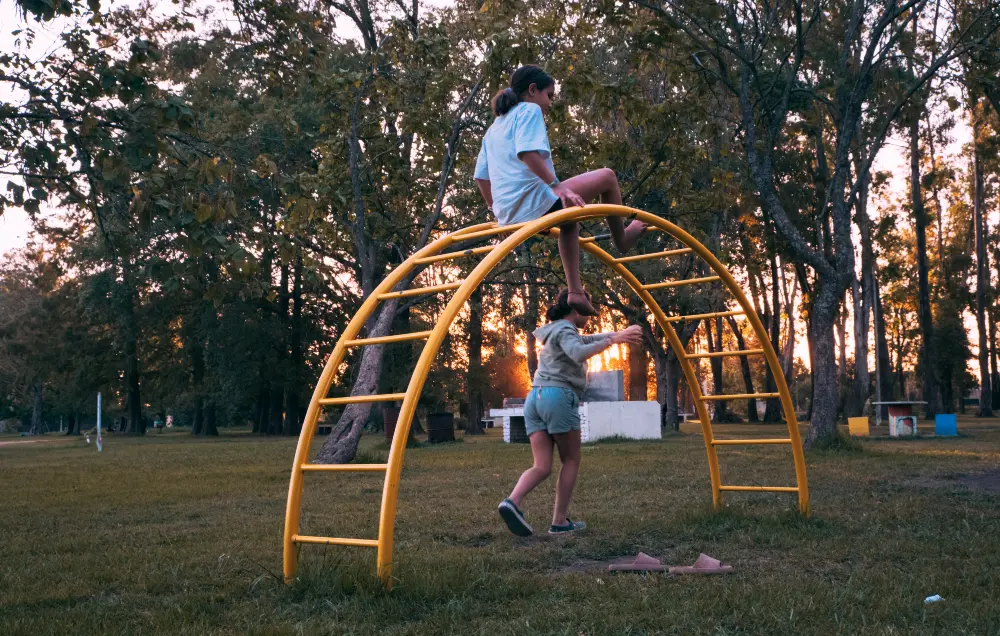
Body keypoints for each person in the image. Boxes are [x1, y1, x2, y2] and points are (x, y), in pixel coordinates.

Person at [474, 65, 648, 317]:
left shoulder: (493, 129)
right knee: (608, 177)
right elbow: (527, 153)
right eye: (549, 95)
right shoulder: (529, 110)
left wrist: (497, 211)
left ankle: (575, 291)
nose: (550, 103)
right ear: (532, 90)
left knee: (569, 220)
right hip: (536, 205)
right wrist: (558, 186)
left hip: (510, 215)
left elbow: (481, 177)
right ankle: (622, 239)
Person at [497, 289, 644, 536]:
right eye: (587, 310)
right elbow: (579, 352)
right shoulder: (566, 331)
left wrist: (617, 335)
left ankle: (511, 502)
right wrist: (614, 341)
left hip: (535, 398)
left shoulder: (557, 330)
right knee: (571, 460)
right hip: (558, 396)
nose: (589, 316)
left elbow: (586, 340)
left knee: (542, 466)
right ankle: (560, 521)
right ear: (576, 310)